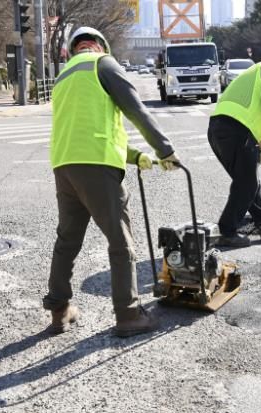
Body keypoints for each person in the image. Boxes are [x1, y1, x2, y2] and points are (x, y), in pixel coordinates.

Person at [44, 27, 180, 337]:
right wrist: (165, 150)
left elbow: (87, 128)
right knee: (121, 243)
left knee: (67, 241)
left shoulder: (63, 76)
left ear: (74, 48)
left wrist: (135, 155)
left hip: (64, 166)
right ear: (100, 45)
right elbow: (136, 110)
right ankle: (129, 314)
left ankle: (59, 310)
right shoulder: (103, 63)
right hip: (97, 166)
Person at [208, 49, 261, 247]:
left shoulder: (251, 74)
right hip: (238, 130)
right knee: (247, 183)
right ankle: (227, 231)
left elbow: (255, 115)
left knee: (247, 181)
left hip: (217, 130)